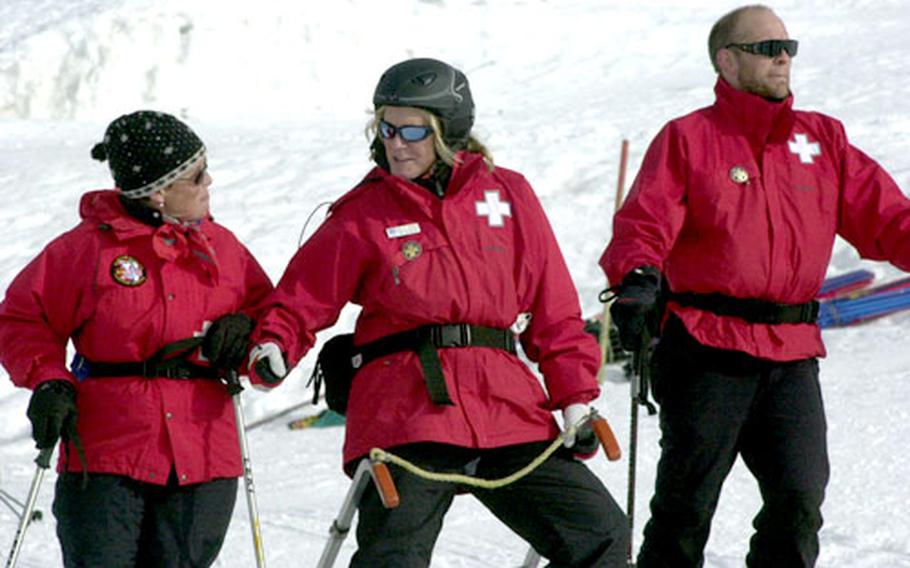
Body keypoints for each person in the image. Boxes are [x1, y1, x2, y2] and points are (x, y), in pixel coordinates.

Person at [248, 57, 629, 566]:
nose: (396, 143)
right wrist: (274, 343)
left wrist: (575, 397)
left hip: (508, 407)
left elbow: (553, 307)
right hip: (407, 410)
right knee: (395, 552)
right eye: (386, 128)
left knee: (601, 533)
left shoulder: (507, 194)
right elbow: (302, 296)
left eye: (412, 130)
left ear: (449, 132)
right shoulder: (364, 212)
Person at [601, 5, 910, 567]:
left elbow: (889, 218)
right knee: (687, 505)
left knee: (799, 497)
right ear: (728, 60)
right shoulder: (689, 139)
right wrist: (638, 278)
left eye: (789, 46)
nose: (784, 57)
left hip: (791, 353)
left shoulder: (822, 139)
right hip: (705, 349)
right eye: (768, 48)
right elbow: (643, 224)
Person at [0, 110, 273, 567]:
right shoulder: (87, 250)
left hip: (204, 453)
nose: (211, 182)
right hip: (107, 452)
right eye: (197, 176)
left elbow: (273, 319)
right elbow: (23, 319)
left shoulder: (224, 249)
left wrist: (248, 328)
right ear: (160, 192)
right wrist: (48, 379)